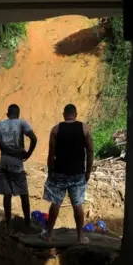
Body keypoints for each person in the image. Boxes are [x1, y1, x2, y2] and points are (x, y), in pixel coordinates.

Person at [0, 104, 38, 230]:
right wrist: (28, 153)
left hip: (3, 163)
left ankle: (8, 224)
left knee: (7, 194)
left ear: (7, 114)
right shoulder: (22, 123)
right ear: (18, 114)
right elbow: (34, 138)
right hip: (17, 163)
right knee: (23, 193)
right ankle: (27, 223)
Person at [42, 104, 94, 244]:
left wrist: (50, 171)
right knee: (77, 205)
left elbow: (51, 154)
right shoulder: (84, 128)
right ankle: (80, 237)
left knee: (56, 203)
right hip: (77, 174)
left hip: (59, 173)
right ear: (75, 114)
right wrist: (88, 171)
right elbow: (90, 151)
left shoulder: (56, 129)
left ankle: (48, 235)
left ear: (64, 114)